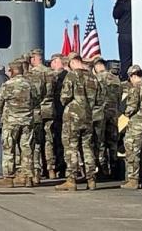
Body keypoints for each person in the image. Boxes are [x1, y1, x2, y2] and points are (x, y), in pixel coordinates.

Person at [55, 56, 98, 192]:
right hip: (88, 115)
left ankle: (71, 179)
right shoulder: (92, 77)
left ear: (73, 62)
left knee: (71, 147)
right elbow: (98, 98)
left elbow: (65, 96)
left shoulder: (71, 76)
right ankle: (91, 179)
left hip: (73, 116)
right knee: (87, 147)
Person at [0, 62, 38, 188]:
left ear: (13, 71)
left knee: (9, 148)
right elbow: (36, 100)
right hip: (27, 121)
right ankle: (28, 177)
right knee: (27, 148)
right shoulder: (30, 84)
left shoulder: (7, 85)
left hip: (11, 121)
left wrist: (2, 112)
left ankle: (9, 177)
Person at [26, 50, 56, 181]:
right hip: (50, 109)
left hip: (37, 111)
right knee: (49, 140)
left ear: (33, 59)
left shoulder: (32, 74)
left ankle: (37, 171)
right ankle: (51, 169)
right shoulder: (51, 73)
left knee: (36, 141)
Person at [49, 54, 68, 177]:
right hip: (66, 113)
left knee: (58, 141)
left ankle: (59, 168)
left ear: (57, 62)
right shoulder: (69, 76)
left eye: (53, 61)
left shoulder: (56, 77)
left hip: (58, 112)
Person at [113, 0, 134, 80]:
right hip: (134, 33)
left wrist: (119, 0)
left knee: (125, 62)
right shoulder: (134, 2)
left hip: (125, 34)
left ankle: (125, 80)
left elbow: (115, 14)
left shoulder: (123, 3)